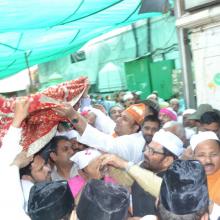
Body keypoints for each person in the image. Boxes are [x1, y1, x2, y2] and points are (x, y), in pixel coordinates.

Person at [101, 129, 184, 218]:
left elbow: (158, 186)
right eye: (147, 148)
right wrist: (112, 167)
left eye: (152, 151)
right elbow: (132, 181)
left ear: (167, 161)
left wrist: (125, 165)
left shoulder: (177, 179)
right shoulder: (145, 165)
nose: (145, 153)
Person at [190, 131, 220, 205]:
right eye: (201, 155)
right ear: (193, 157)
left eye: (214, 154)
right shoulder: (187, 177)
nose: (208, 160)